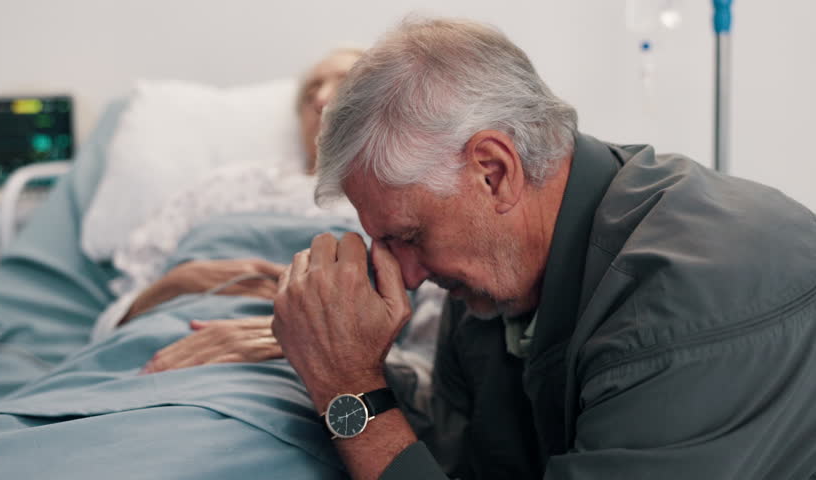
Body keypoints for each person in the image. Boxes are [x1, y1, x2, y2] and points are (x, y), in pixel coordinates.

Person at [271, 17, 816, 480]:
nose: (408, 275)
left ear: (494, 171)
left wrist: (348, 391)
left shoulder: (689, 301)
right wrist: (337, 352)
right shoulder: (494, 285)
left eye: (410, 237)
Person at [101, 48, 371, 372]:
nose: (321, 100)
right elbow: (110, 327)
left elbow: (425, 376)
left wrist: (310, 343)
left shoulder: (392, 212)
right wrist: (176, 283)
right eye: (309, 93)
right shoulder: (222, 188)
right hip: (147, 352)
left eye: (343, 86)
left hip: (276, 371)